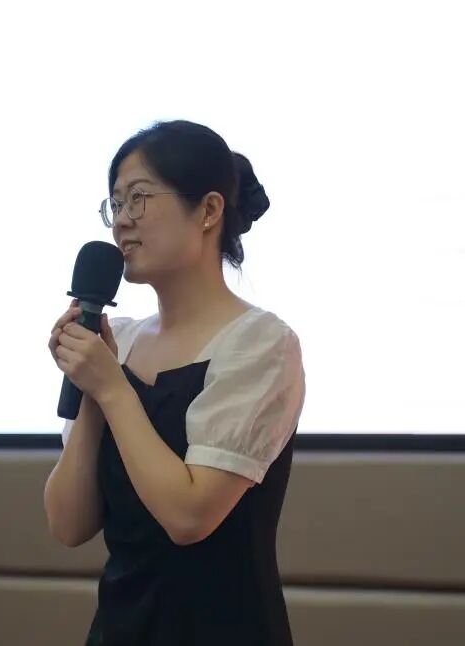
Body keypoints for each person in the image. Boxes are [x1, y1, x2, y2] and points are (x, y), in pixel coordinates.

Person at [44, 120, 305, 646]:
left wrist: (112, 388)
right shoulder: (118, 342)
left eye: (139, 198)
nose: (122, 221)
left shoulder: (259, 344)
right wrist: (94, 391)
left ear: (209, 210)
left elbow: (188, 517)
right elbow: (68, 526)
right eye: (116, 203)